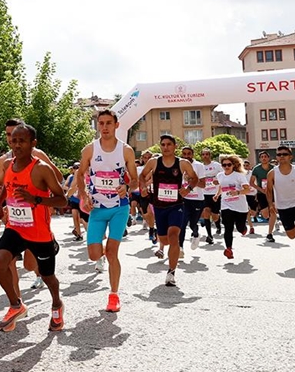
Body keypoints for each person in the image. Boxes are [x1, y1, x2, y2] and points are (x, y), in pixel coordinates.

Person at [0, 123, 68, 332]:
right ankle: (16, 305)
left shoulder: (41, 169)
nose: (16, 145)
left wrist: (36, 199)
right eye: (13, 141)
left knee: (47, 276)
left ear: (33, 143)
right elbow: (7, 187)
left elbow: (62, 200)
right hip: (15, 228)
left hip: (39, 233)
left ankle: (57, 304)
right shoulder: (8, 164)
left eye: (22, 141)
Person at [76, 109, 137, 313]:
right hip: (97, 208)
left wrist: (127, 187)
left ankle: (114, 295)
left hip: (119, 208)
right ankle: (102, 255)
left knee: (112, 252)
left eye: (108, 123)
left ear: (116, 125)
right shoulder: (90, 150)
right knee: (94, 255)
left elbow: (135, 180)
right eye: (101, 123)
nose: (104, 127)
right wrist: (84, 195)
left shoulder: (126, 150)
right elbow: (80, 174)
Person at [139, 134, 198, 287]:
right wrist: (143, 187)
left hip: (176, 205)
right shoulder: (154, 162)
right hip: (159, 206)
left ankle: (171, 272)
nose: (166, 147)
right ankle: (160, 237)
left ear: (175, 146)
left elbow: (194, 178)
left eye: (169, 144)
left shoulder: (182, 163)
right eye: (163, 145)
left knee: (173, 236)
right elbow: (142, 176)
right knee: (164, 240)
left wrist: (188, 189)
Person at [212, 154, 251, 260]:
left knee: (239, 228)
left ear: (233, 165)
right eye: (224, 165)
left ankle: (243, 228)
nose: (226, 167)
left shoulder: (239, 176)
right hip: (226, 205)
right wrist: (217, 195)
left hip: (240, 206)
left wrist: (237, 192)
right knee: (228, 227)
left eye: (229, 164)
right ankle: (228, 249)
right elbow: (221, 186)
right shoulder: (220, 175)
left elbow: (247, 190)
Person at [249, 151, 278, 243]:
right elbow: (251, 183)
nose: (264, 158)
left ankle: (270, 233)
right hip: (261, 193)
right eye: (262, 157)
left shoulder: (274, 168)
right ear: (259, 159)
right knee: (265, 215)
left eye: (265, 156)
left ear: (268, 158)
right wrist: (261, 190)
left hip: (272, 192)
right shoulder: (256, 169)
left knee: (272, 211)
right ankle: (274, 221)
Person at [198, 148, 222, 244]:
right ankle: (209, 235)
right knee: (206, 212)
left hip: (215, 193)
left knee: (215, 216)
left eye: (207, 154)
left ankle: (218, 224)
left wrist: (218, 181)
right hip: (204, 193)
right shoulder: (200, 167)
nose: (205, 156)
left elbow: (224, 174)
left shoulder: (216, 165)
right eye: (203, 154)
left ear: (210, 155)